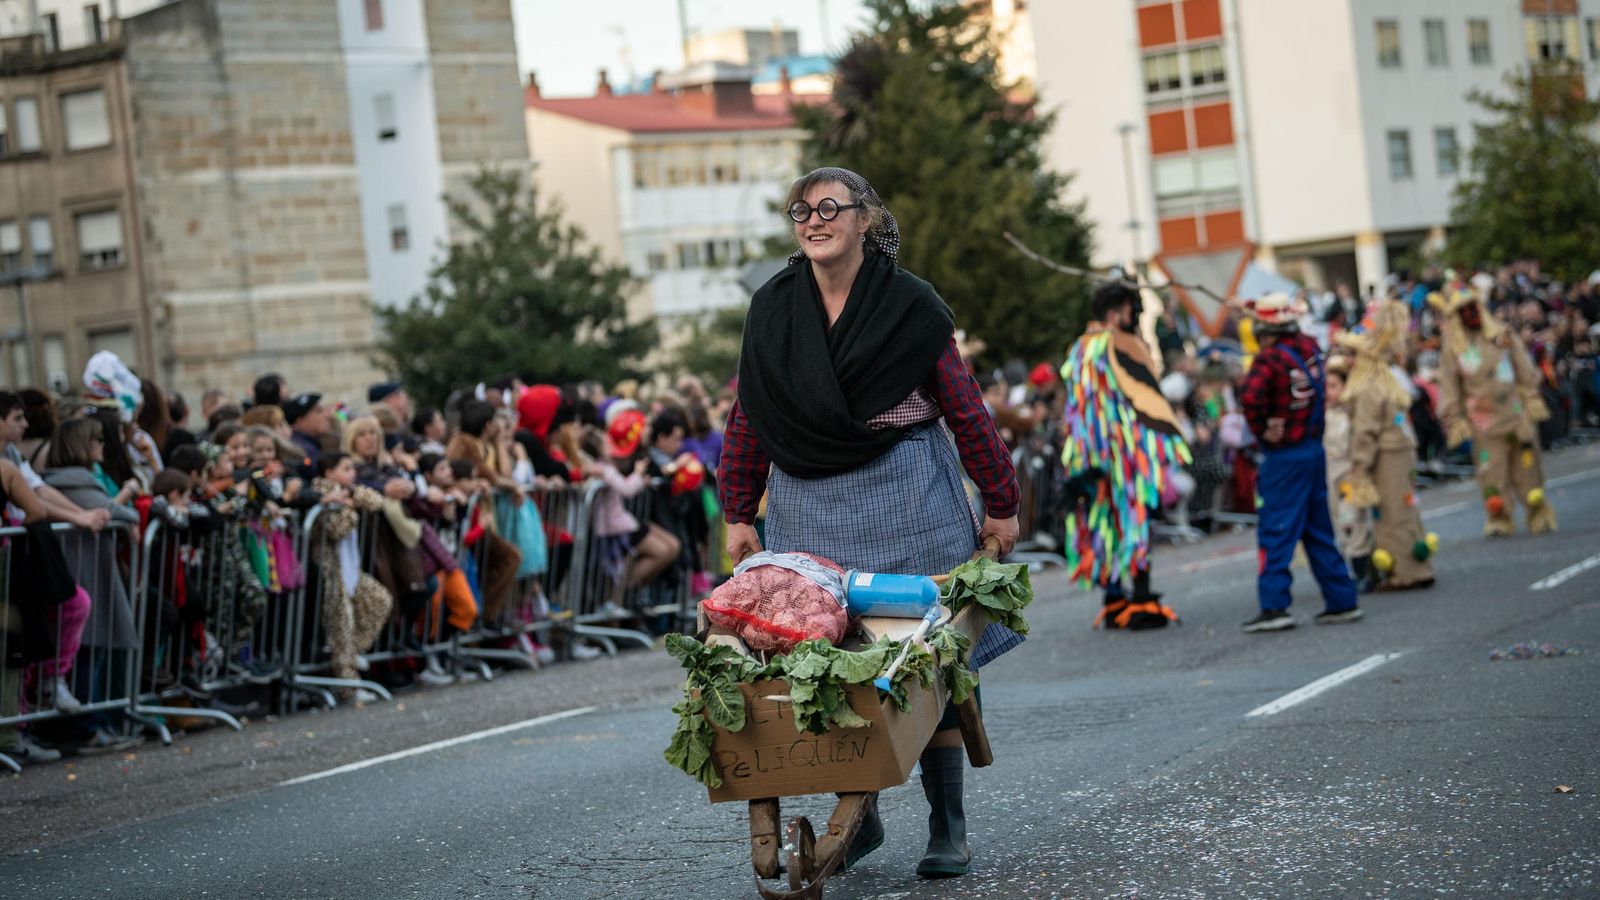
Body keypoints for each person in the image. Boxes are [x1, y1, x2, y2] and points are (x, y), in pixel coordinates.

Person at [717, 167, 1020, 879]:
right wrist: (737, 509)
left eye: (830, 208)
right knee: (826, 662)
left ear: (864, 220)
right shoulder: (773, 308)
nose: (814, 220)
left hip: (907, 495)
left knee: (926, 660)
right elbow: (748, 414)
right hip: (807, 505)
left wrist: (1000, 501)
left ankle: (948, 825)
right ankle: (865, 818)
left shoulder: (910, 305)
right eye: (802, 210)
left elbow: (966, 408)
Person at [1059, 280, 1189, 630]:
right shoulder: (1124, 342)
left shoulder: (1078, 348)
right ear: (1117, 313)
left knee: (1104, 524)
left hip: (1089, 455)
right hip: (1128, 455)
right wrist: (1173, 438)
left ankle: (1115, 599)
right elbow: (1148, 398)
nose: (1134, 317)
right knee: (1134, 521)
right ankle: (1143, 601)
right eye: (1132, 311)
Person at [1236, 293, 1362, 632]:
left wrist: (1263, 428)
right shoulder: (1309, 349)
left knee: (1277, 529)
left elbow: (1249, 398)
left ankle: (1275, 606)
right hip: (1313, 449)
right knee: (1317, 528)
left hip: (1284, 457)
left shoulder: (1269, 360)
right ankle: (1341, 599)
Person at [1433, 288, 1557, 536]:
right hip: (1483, 422)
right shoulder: (1454, 347)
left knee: (1528, 468)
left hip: (1514, 414)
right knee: (1491, 473)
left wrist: (1531, 396)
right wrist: (1454, 416)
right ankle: (1499, 519)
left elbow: (1523, 367)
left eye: (1473, 307)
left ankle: (1538, 513)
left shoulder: (1502, 334)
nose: (1470, 314)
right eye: (1463, 310)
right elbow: (1449, 384)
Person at [1333, 300, 1435, 590]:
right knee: (1406, 509)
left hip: (1387, 456)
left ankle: (1405, 572)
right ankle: (1418, 565)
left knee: (1392, 514)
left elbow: (1365, 432)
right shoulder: (1384, 379)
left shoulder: (1365, 386)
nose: (1347, 360)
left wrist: (1359, 467)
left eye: (1351, 354)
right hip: (1400, 451)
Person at [309, 451, 392, 701]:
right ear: (329, 472)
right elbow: (336, 528)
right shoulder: (321, 493)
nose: (352, 473)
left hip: (351, 568)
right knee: (341, 624)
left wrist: (352, 497)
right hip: (330, 571)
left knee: (380, 599)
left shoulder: (348, 492)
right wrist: (351, 510)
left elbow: (377, 501)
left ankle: (352, 653)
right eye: (346, 468)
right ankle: (348, 687)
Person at [1322, 356, 1377, 592]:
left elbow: (1360, 443)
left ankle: (1363, 569)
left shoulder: (1352, 414)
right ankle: (1354, 567)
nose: (1329, 392)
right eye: (1326, 386)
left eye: (1334, 386)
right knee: (1337, 520)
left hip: (1349, 472)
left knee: (1350, 519)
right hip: (1329, 475)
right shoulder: (1323, 415)